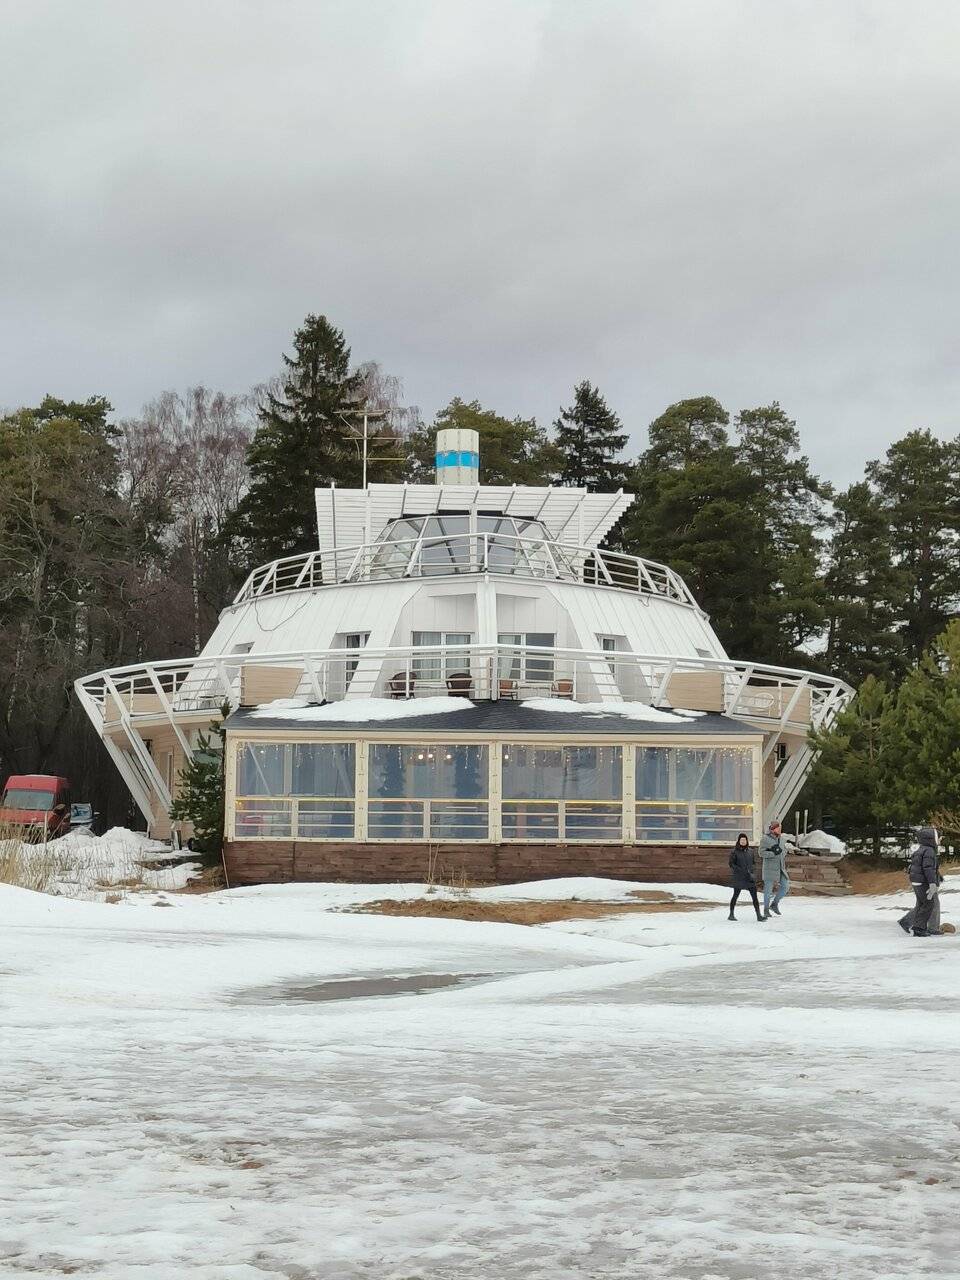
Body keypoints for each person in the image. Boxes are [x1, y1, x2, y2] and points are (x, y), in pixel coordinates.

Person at [902, 827, 941, 937]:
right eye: (937, 837)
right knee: (929, 904)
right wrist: (932, 883)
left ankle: (917, 926)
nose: (938, 840)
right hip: (923, 882)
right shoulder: (929, 851)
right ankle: (919, 928)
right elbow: (928, 868)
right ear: (931, 839)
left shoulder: (921, 849)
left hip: (917, 881)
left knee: (921, 904)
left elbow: (916, 866)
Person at [728, 832, 766, 922]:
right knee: (735, 896)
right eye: (741, 840)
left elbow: (753, 863)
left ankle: (759, 915)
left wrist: (752, 871)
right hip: (739, 878)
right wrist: (739, 870)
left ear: (747, 841)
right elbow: (731, 864)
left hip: (749, 878)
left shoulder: (750, 851)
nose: (743, 841)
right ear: (739, 841)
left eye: (745, 840)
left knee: (755, 897)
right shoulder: (734, 852)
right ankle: (731, 914)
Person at [761, 820, 790, 918]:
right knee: (768, 890)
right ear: (772, 829)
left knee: (785, 886)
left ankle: (774, 904)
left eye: (780, 827)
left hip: (781, 867)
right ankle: (765, 910)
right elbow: (761, 853)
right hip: (769, 868)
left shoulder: (782, 839)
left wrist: (784, 852)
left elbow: (783, 851)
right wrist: (773, 853)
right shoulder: (765, 839)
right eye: (778, 828)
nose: (780, 829)